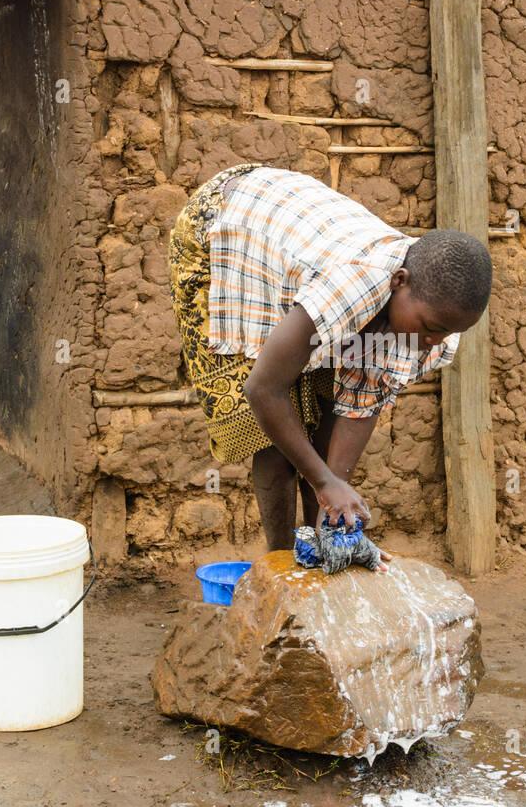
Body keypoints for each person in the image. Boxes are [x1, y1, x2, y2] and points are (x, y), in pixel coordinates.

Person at [168, 161, 492, 562]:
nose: (433, 341)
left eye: (446, 334)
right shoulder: (354, 282)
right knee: (267, 433)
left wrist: (335, 510)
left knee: (321, 416)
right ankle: (281, 562)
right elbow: (263, 389)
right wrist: (324, 480)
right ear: (400, 281)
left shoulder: (430, 313)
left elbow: (361, 402)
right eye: (431, 328)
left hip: (298, 251)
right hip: (225, 228)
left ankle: (318, 547)